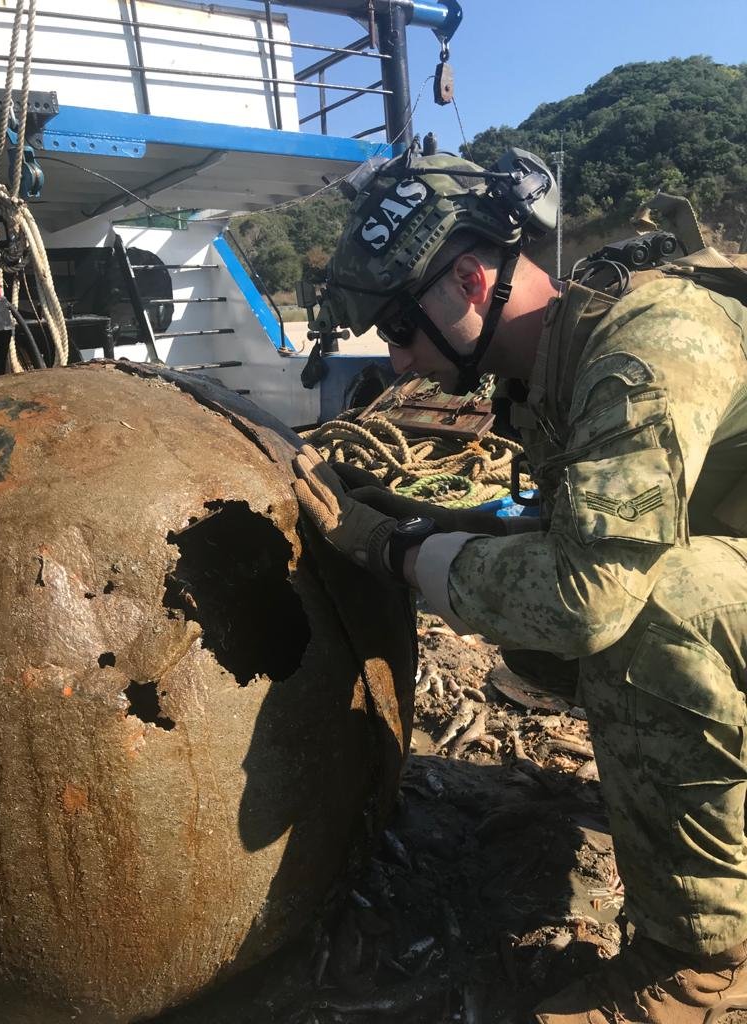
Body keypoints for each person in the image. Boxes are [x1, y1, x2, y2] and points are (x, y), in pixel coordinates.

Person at [292, 145, 747, 1024]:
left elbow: (590, 594)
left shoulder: (645, 351)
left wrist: (393, 552)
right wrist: (416, 526)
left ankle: (703, 965)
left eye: (398, 326)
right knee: (535, 616)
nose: (398, 361)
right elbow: (553, 542)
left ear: (468, 278)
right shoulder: (555, 365)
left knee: (649, 613)